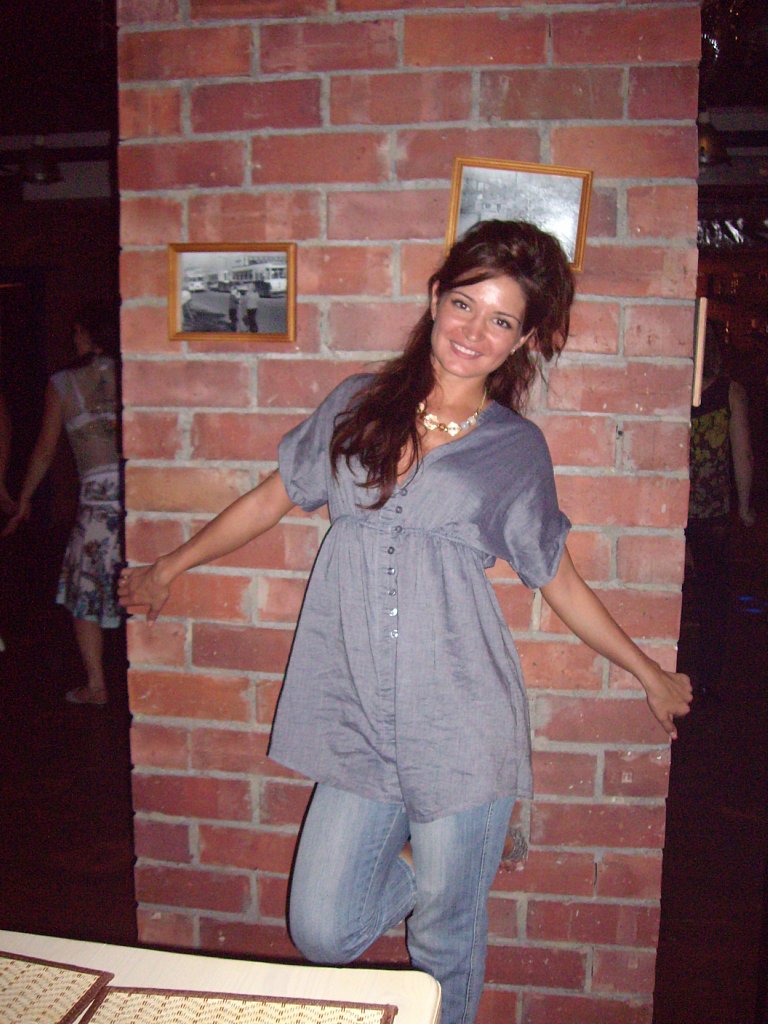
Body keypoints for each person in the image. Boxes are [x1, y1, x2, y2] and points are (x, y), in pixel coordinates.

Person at [118, 220, 692, 1024]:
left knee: (446, 937)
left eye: (501, 320)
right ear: (434, 298)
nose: (474, 331)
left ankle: (457, 874)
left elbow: (556, 576)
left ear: (524, 340)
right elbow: (272, 497)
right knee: (323, 928)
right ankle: (440, 865)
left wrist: (647, 673)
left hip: (462, 722)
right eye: (464, 304)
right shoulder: (357, 404)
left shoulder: (514, 449)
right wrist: (168, 568)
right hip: (355, 716)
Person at [4, 311, 122, 705]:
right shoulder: (130, 370)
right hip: (138, 493)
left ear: (89, 334)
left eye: (77, 332)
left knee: (83, 592)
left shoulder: (63, 383)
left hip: (98, 500)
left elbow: (44, 450)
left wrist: (24, 497)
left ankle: (97, 685)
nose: (74, 340)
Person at [685, 319, 755, 694]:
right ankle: (708, 680)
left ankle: (674, 670)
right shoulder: (730, 393)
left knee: (679, 595)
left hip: (675, 510)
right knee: (713, 598)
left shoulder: (677, 391)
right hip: (712, 511)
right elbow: (742, 455)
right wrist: (744, 507)